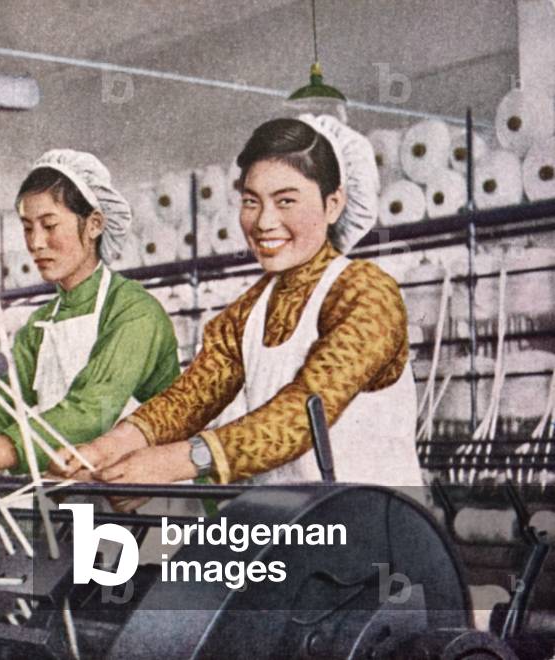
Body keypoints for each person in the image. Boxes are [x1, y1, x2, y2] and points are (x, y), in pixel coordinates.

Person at [53, 116, 422, 504]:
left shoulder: (367, 293)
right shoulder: (251, 309)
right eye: (251, 201)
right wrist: (104, 450)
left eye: (286, 201)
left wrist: (177, 461)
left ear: (333, 204)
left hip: (379, 534)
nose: (264, 222)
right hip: (290, 531)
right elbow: (189, 399)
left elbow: (299, 415)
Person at [0, 149, 180, 486]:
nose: (36, 243)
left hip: (157, 496)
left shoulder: (134, 311)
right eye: (27, 228)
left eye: (49, 225)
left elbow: (89, 414)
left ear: (94, 225)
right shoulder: (40, 324)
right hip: (83, 490)